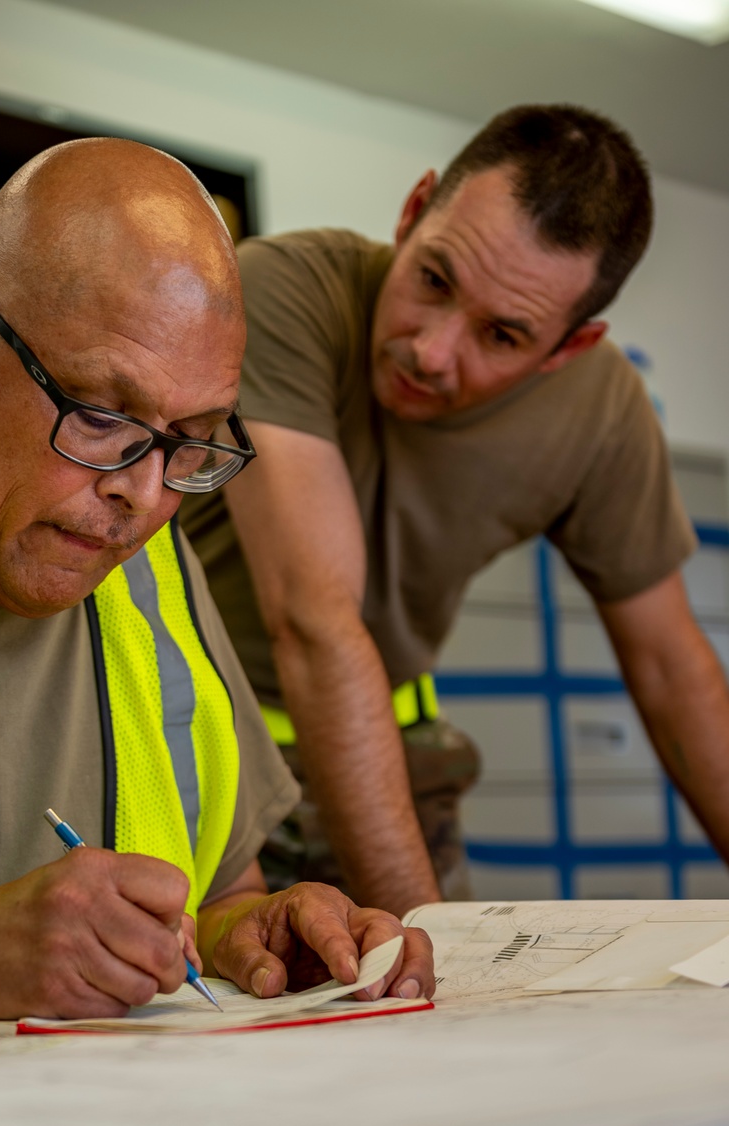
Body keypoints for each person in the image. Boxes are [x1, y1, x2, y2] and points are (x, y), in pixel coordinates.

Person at [0, 137, 434, 1034]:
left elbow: (215, 892)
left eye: (194, 440)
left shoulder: (154, 574)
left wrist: (242, 938)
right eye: (102, 415)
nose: (142, 496)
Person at [182, 104, 729, 915]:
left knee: (452, 1025)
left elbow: (671, 669)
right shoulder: (283, 289)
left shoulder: (602, 409)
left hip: (391, 751)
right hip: (196, 744)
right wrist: (422, 932)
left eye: (503, 335)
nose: (431, 352)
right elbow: (315, 621)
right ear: (413, 212)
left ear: (569, 348)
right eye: (434, 280)